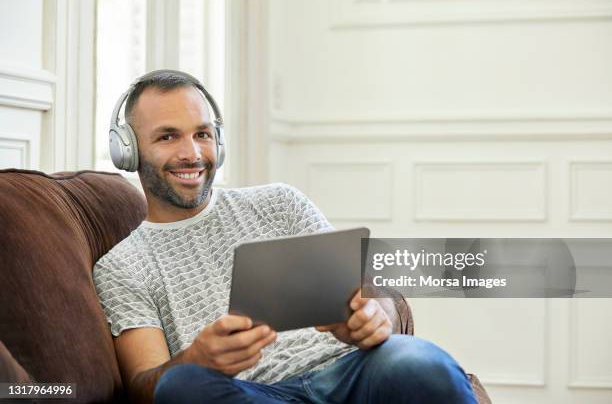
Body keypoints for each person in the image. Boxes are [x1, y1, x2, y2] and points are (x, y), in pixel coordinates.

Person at [93, 70, 477, 404]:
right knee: (182, 387)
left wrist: (375, 316)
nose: (192, 153)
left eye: (203, 134)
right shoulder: (122, 265)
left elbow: (367, 296)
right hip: (251, 395)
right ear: (127, 150)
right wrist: (198, 359)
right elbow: (145, 387)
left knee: (421, 362)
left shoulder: (279, 203)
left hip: (351, 370)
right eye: (167, 137)